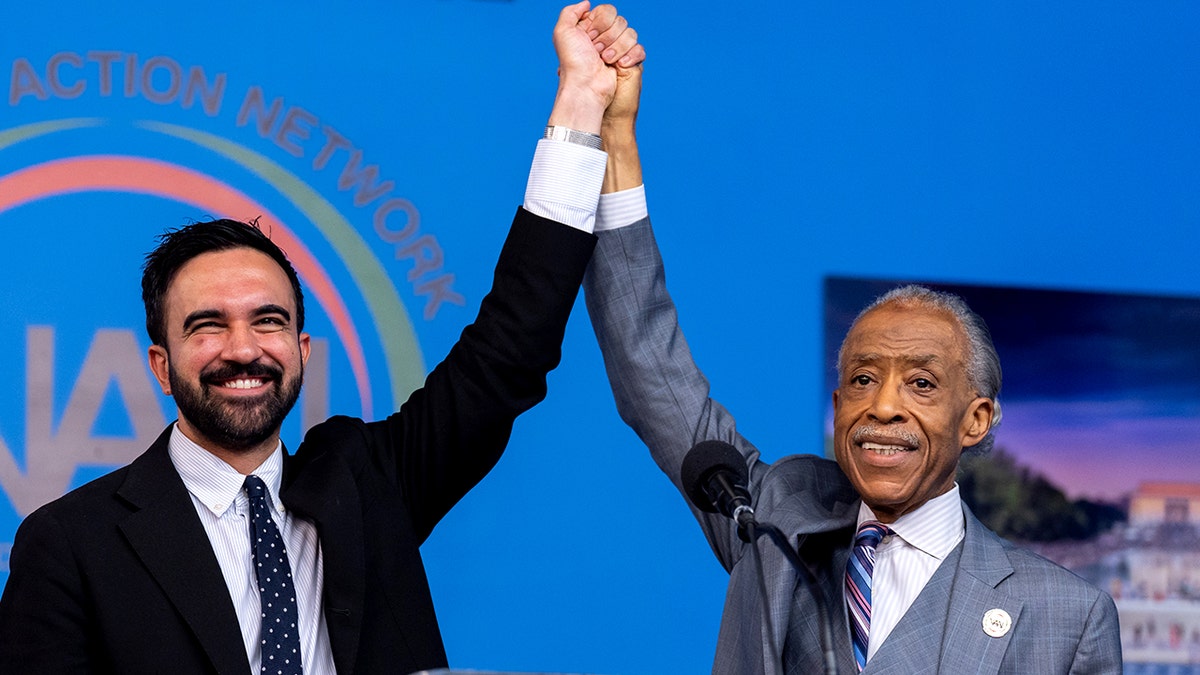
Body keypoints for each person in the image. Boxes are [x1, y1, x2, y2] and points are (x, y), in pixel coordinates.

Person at [0, 3, 644, 674]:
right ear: (160, 365)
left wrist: (581, 99)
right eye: (208, 324)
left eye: (268, 320)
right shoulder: (72, 543)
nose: (243, 348)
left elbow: (512, 348)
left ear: (302, 352)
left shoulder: (367, 484)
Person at [582, 54, 1123, 674]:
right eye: (862, 380)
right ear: (838, 407)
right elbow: (649, 364)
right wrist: (615, 136)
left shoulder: (1064, 616)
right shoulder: (777, 524)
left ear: (976, 420)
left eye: (921, 383)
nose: (882, 405)